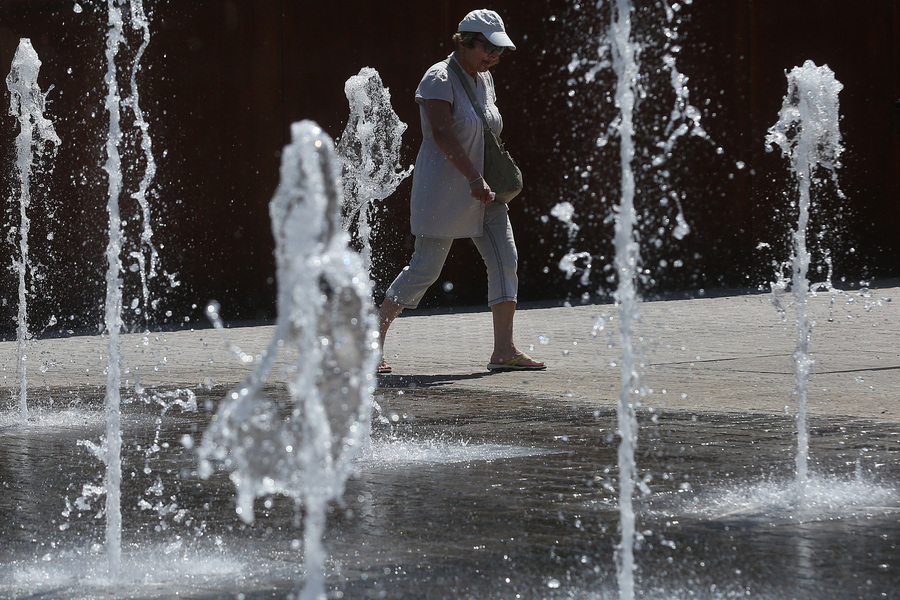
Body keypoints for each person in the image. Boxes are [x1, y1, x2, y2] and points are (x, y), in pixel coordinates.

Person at [377, 9, 545, 374]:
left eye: (500, 51)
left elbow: (487, 131)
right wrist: (473, 177)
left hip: (485, 194)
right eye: (488, 48)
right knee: (425, 271)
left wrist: (485, 179)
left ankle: (504, 351)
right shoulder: (438, 78)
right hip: (446, 192)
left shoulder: (484, 80)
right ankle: (371, 344)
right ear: (466, 42)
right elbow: (442, 133)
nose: (495, 57)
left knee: (505, 260)